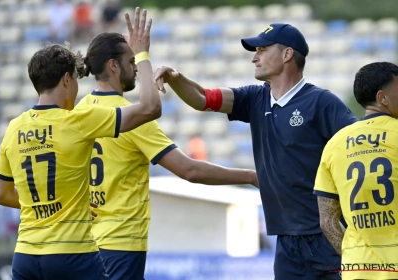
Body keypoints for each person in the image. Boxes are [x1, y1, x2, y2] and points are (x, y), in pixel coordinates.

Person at [153, 23, 358, 279]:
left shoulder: (321, 102)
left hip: (326, 235)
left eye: (262, 49)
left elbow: (359, 146)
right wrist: (177, 79)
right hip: (286, 242)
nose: (254, 57)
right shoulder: (254, 98)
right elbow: (203, 99)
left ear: (287, 55)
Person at [75, 31, 258, 280]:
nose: (137, 69)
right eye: (131, 61)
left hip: (83, 242)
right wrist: (249, 176)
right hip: (121, 242)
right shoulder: (132, 117)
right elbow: (189, 170)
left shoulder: (79, 111)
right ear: (113, 66)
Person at [0, 8, 161, 280]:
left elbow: (2, 193)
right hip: (72, 254)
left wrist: (43, 207)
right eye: (75, 79)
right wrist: (142, 54)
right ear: (66, 79)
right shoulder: (78, 120)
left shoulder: (13, 128)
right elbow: (150, 108)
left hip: (25, 255)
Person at [314, 62, 398, 280]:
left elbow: (327, 221)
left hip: (357, 268)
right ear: (383, 98)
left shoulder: (335, 144)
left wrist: (354, 255)